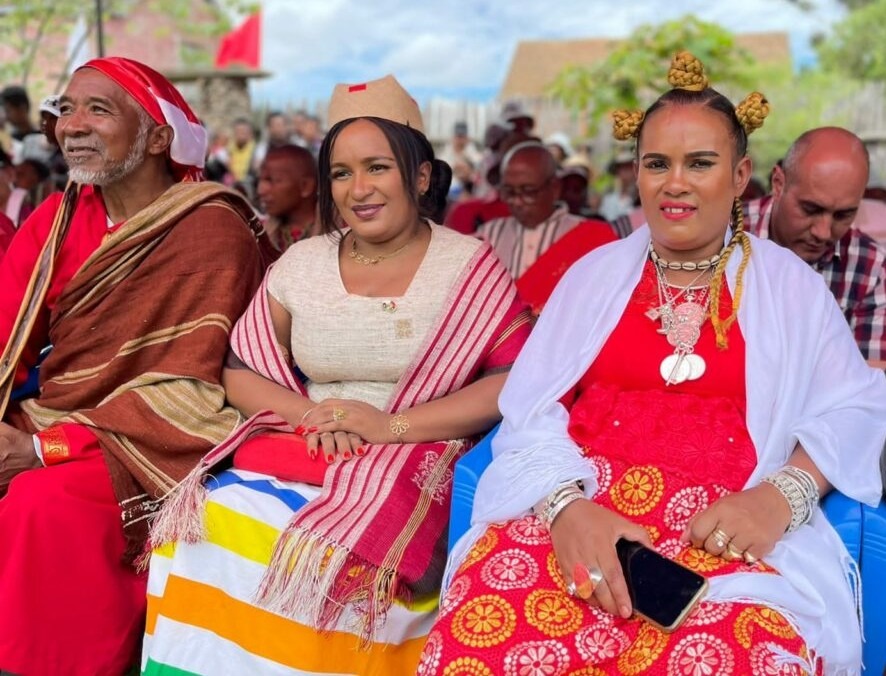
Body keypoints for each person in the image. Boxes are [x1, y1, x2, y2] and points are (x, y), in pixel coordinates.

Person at [426, 52, 886, 674]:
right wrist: (565, 507)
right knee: (480, 647)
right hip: (582, 516)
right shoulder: (594, 276)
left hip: (725, 531)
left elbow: (855, 405)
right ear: (636, 174)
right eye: (656, 163)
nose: (676, 183)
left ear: (741, 174)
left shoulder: (791, 287)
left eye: (700, 163)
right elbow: (530, 406)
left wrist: (781, 497)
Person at [141, 74, 532, 675]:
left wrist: (388, 425)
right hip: (306, 444)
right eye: (342, 173)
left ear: (421, 176)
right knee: (207, 525)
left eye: (377, 168)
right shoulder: (304, 262)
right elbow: (239, 368)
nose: (359, 189)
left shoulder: (468, 264)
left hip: (415, 455)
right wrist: (315, 416)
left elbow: (511, 380)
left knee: (332, 556)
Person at [0, 56, 269, 675]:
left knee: (45, 504)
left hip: (158, 432)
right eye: (66, 109)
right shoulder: (60, 215)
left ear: (157, 137)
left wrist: (47, 448)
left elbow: (193, 380)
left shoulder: (211, 227)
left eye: (99, 109)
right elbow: (9, 330)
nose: (74, 125)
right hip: (57, 411)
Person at [746, 127, 886, 363]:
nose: (823, 232)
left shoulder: (872, 269)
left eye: (843, 215)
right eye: (810, 210)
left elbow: (868, 386)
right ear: (778, 183)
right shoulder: (723, 234)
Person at [477, 141, 616, 310]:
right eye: (509, 192)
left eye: (528, 191)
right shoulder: (487, 236)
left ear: (555, 188)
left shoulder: (594, 237)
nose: (517, 201)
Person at [256, 144, 319, 251]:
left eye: (271, 180)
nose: (261, 190)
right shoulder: (259, 233)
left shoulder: (342, 232)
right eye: (261, 180)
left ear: (305, 186)